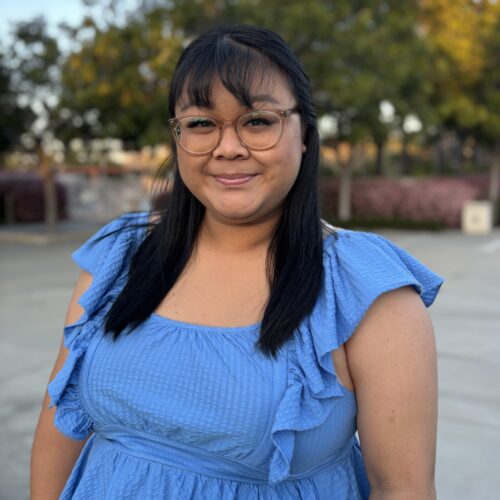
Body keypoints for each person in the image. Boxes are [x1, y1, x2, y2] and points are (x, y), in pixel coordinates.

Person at [30, 24, 443, 499]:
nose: (228, 148)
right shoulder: (120, 255)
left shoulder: (363, 286)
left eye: (258, 121)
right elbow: (59, 426)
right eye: (201, 124)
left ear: (305, 134)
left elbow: (404, 488)